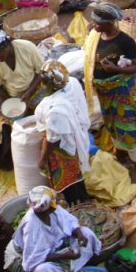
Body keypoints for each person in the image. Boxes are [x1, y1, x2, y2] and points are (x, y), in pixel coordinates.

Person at [83, 3, 136, 162]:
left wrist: (116, 69)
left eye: (97, 23)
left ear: (108, 23)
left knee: (130, 122)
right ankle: (120, 147)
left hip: (123, 90)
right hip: (105, 92)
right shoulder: (96, 36)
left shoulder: (125, 41)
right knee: (113, 121)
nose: (93, 25)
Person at [6, 186, 100, 272]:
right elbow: (32, 259)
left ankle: (85, 268)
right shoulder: (31, 225)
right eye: (53, 204)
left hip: (54, 246)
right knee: (44, 270)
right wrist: (66, 255)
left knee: (87, 233)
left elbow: (69, 221)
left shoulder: (49, 209)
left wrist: (79, 234)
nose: (56, 206)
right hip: (26, 258)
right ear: (44, 208)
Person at [34, 60, 91, 203]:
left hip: (61, 148)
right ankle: (84, 199)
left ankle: (76, 204)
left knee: (67, 179)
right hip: (76, 135)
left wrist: (43, 159)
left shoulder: (54, 109)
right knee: (76, 172)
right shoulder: (73, 82)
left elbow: (52, 139)